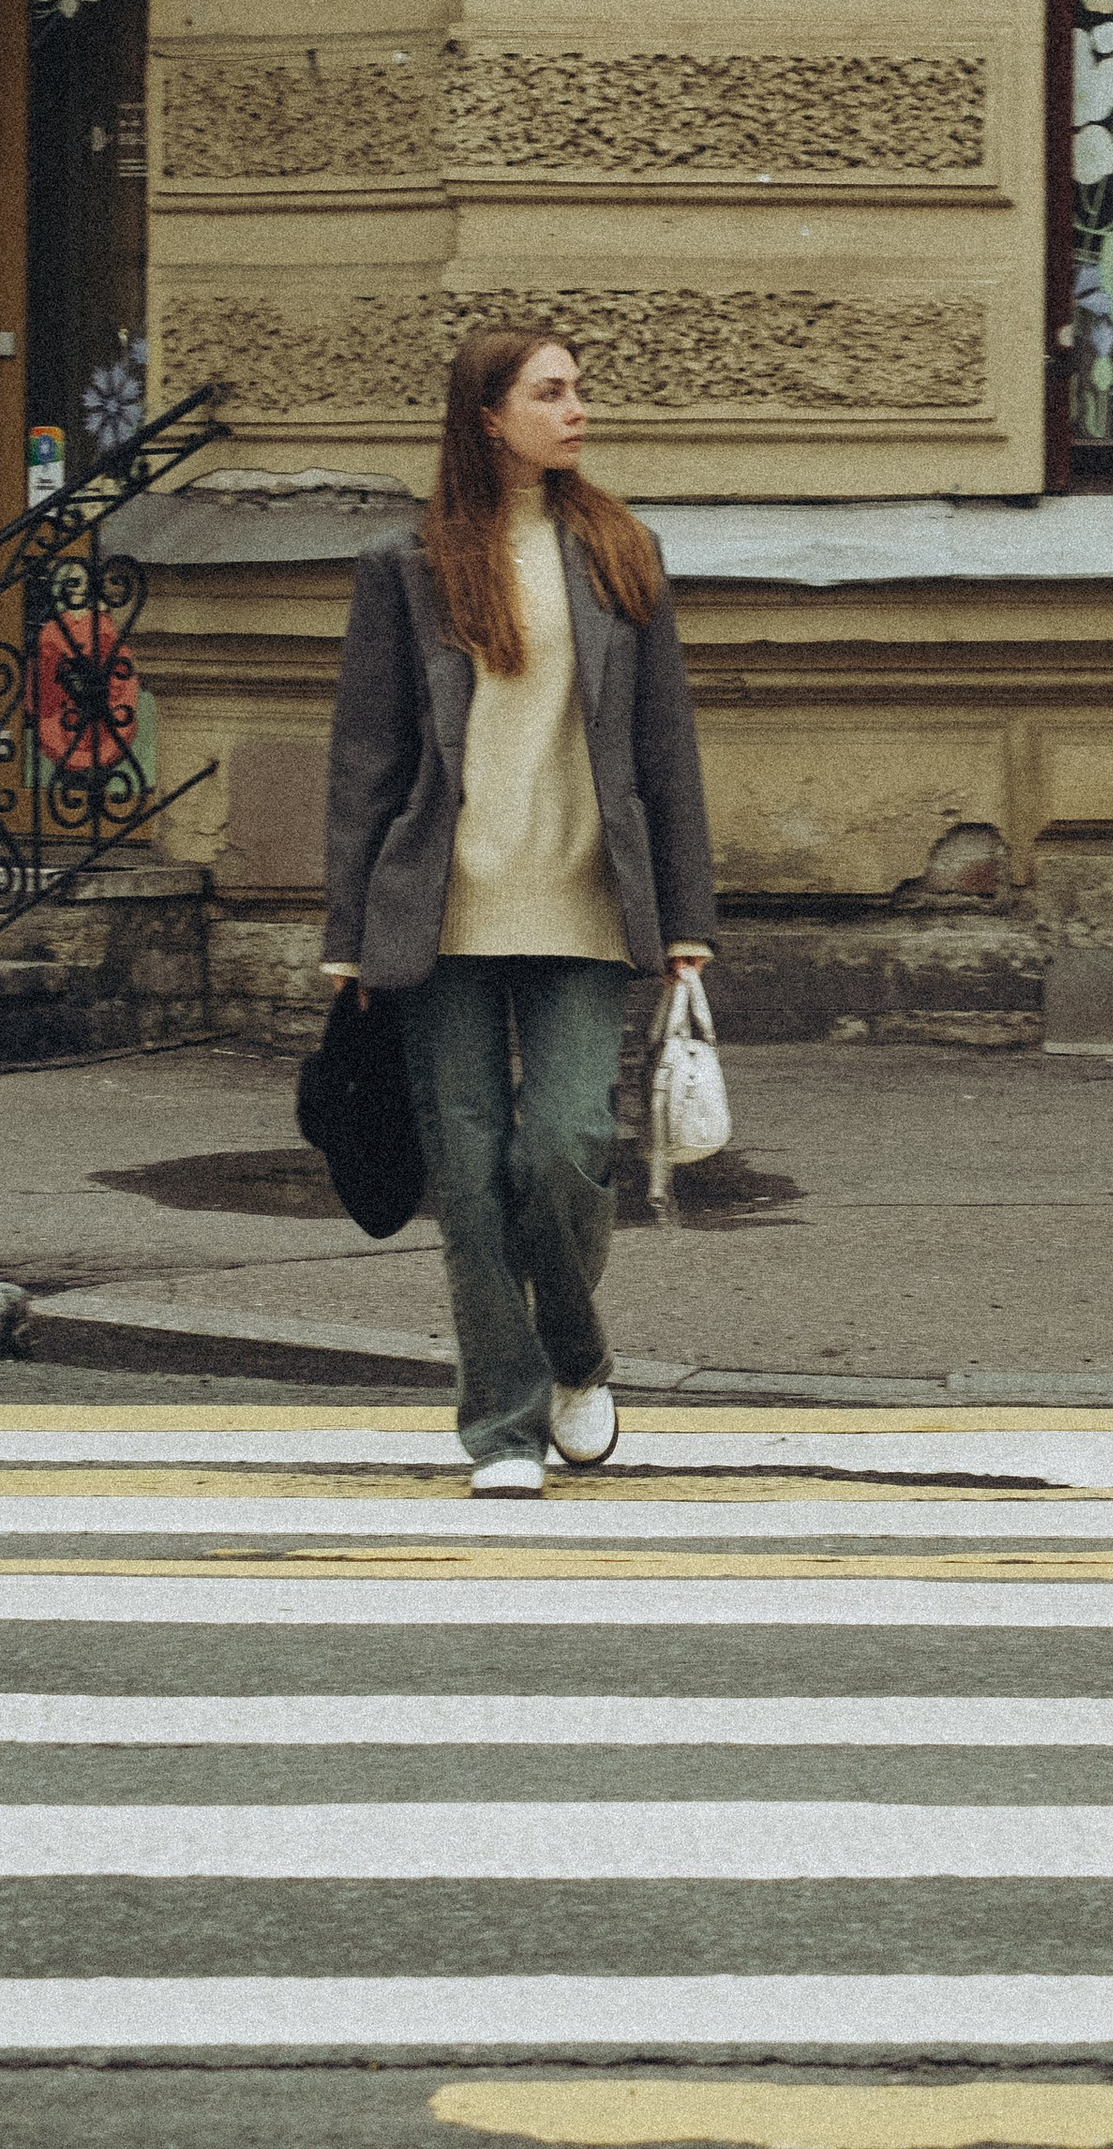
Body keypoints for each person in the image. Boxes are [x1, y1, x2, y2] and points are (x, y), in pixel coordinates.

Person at [320, 323, 717, 1493]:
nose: (577, 409)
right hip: (442, 913)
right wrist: (348, 936)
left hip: (587, 906)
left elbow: (665, 748)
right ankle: (501, 1424)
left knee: (563, 1152)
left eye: (580, 390)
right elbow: (367, 763)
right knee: (471, 1167)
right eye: (552, 393)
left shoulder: (618, 550)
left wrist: (686, 915)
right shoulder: (408, 565)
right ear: (488, 418)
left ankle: (577, 1359)